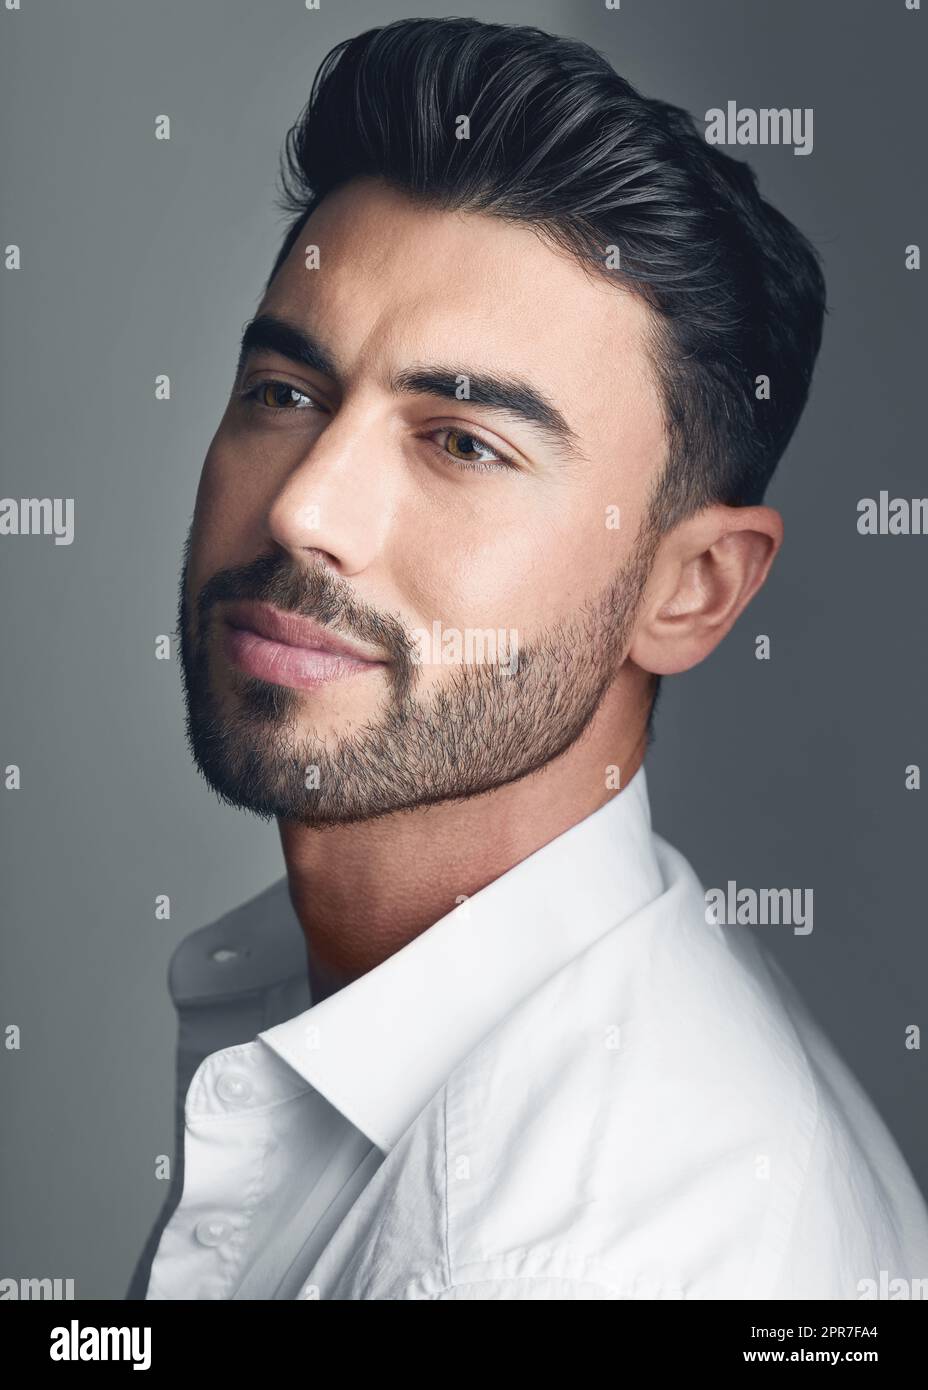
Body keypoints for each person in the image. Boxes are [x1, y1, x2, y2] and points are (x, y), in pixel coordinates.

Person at [126, 17, 928, 1300]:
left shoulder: (592, 1254)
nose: (304, 510)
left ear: (690, 588)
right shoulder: (359, 1007)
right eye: (287, 393)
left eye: (461, 444)